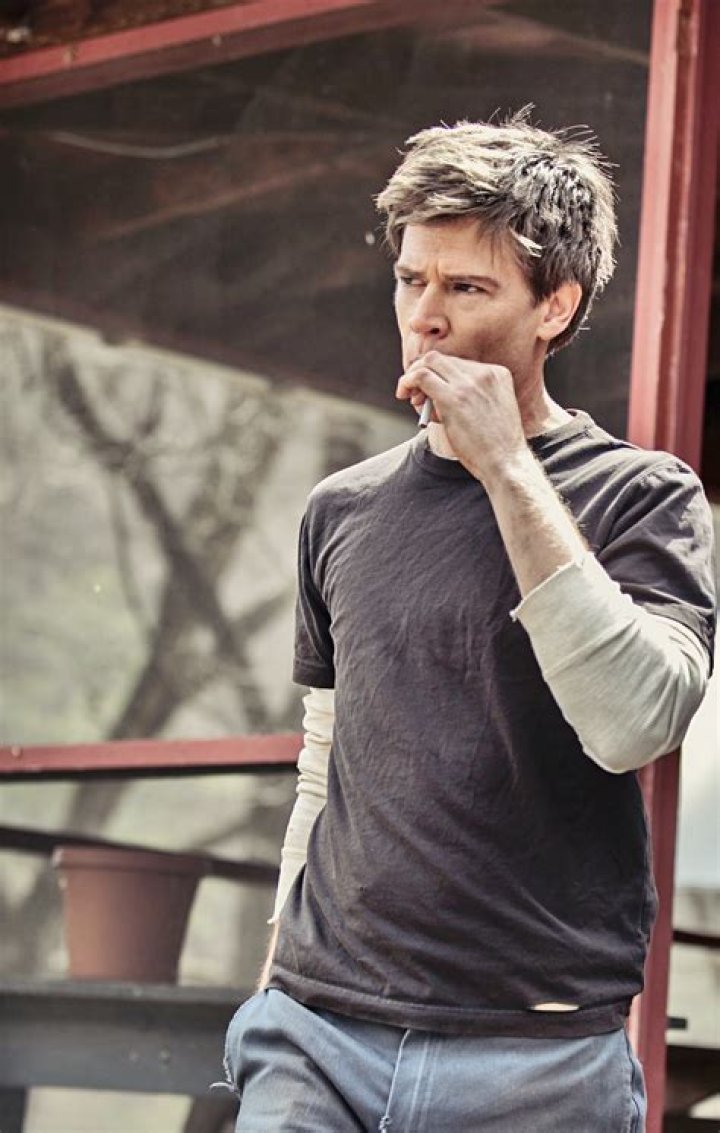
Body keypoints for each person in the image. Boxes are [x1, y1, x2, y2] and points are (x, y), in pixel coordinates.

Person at [222, 113, 716, 1132]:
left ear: (555, 307)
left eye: (468, 288)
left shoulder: (644, 496)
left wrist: (505, 464)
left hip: (534, 1063)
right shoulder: (341, 509)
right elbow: (325, 762)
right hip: (316, 1036)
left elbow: (635, 722)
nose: (425, 317)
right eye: (412, 280)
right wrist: (273, 983)